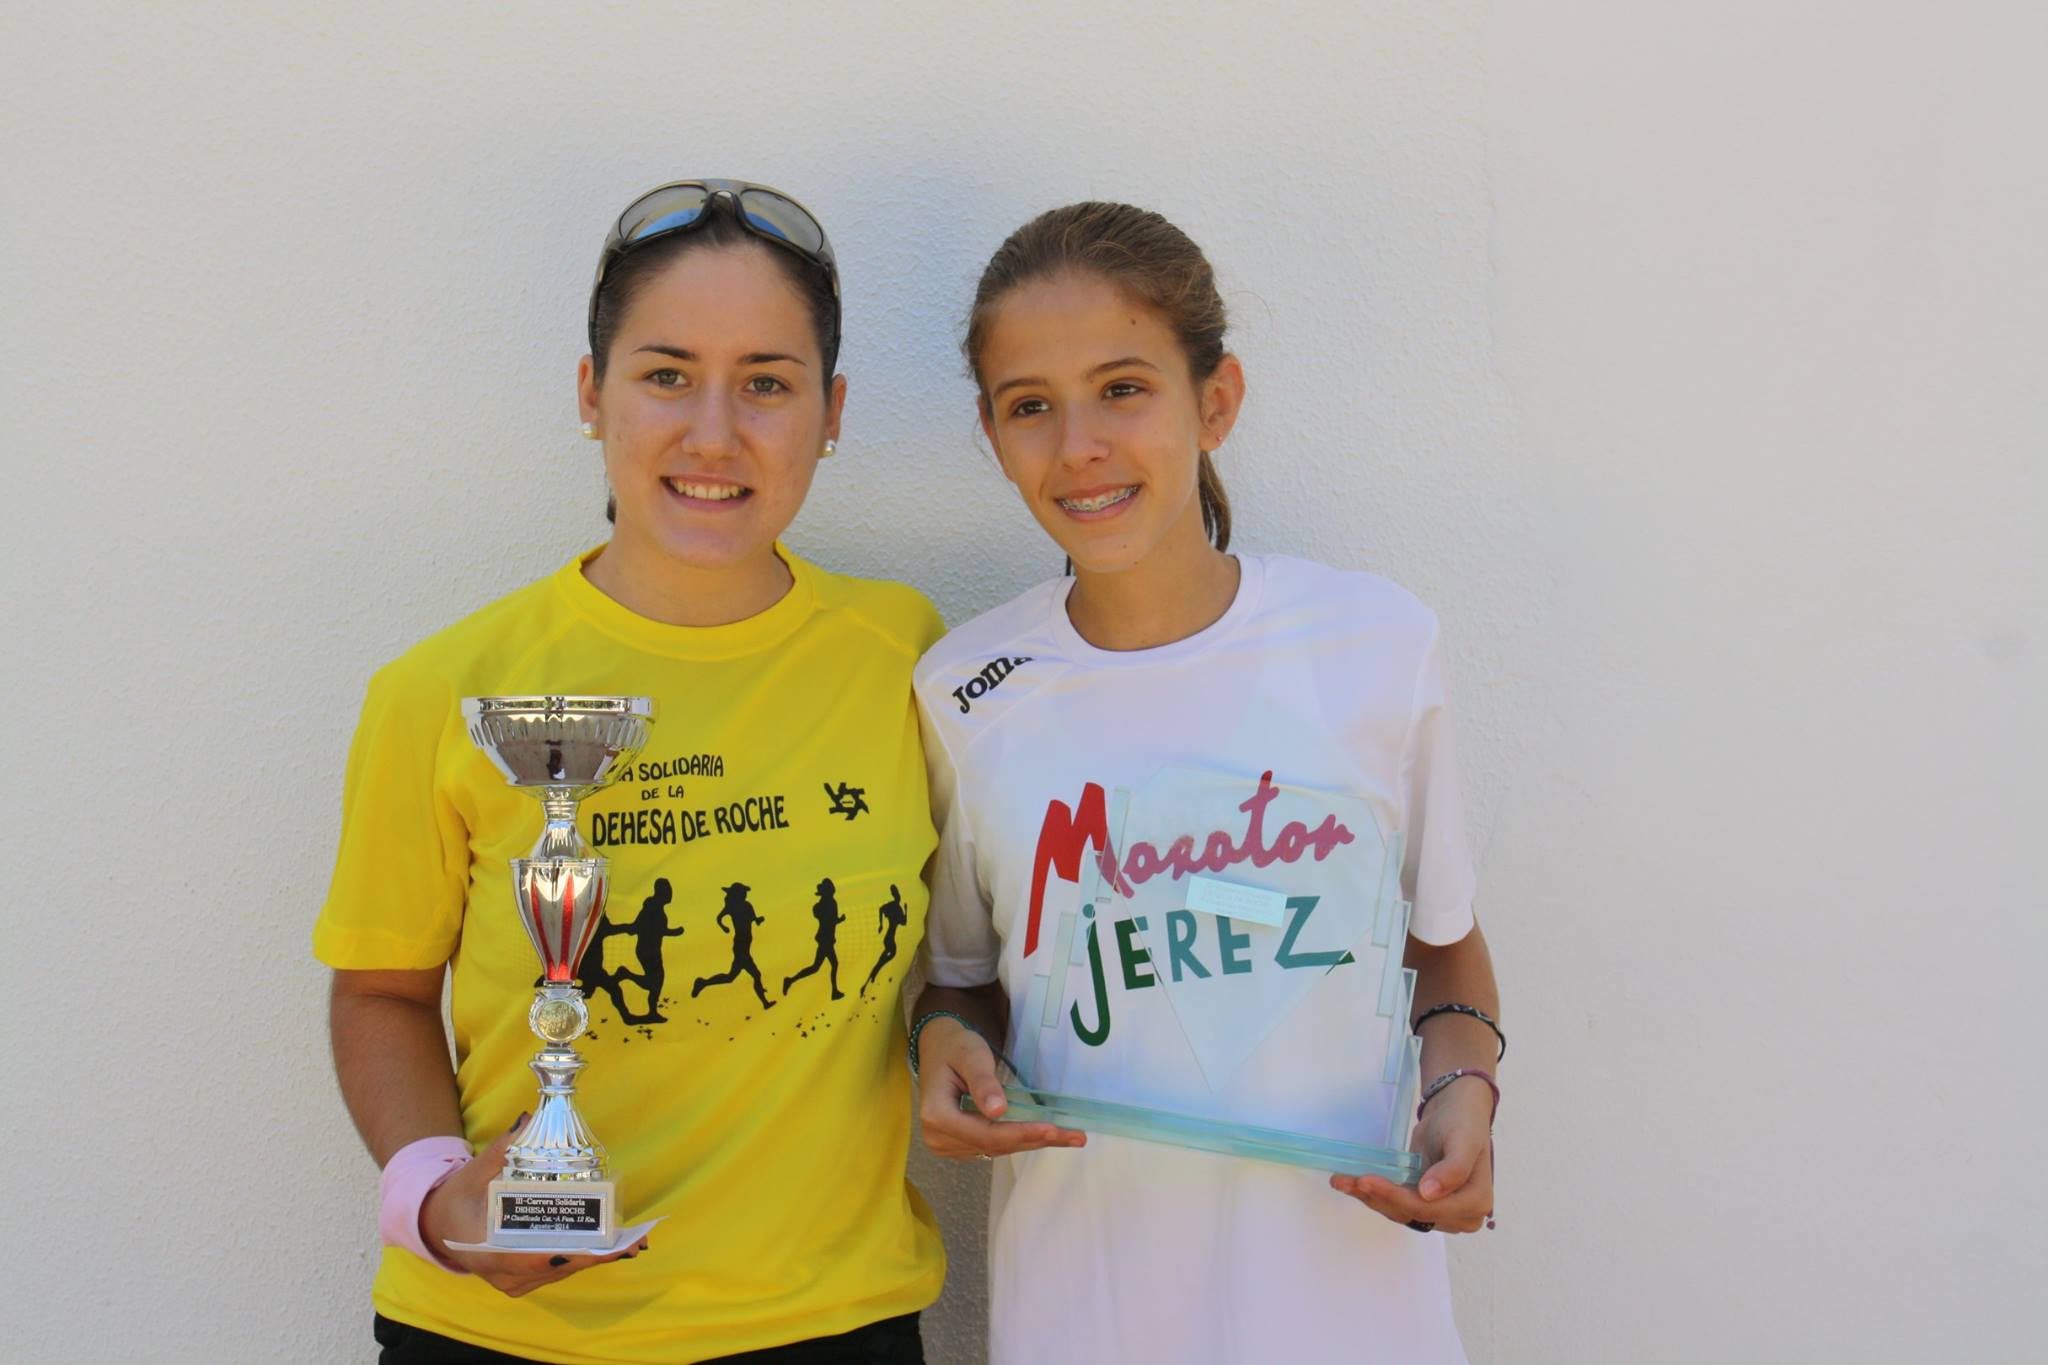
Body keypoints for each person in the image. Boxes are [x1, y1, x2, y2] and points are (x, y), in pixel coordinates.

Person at [316, 180, 943, 1364]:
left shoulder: (905, 656)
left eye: (766, 382)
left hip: (830, 1323)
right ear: (590, 393)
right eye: (665, 374)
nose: (713, 432)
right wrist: (433, 1197)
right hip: (506, 1333)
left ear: (831, 412)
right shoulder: (443, 690)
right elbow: (380, 993)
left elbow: (966, 950)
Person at [910, 202, 1503, 1364]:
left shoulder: (1375, 645)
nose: (1078, 444)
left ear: (1214, 401)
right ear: (991, 432)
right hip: (1086, 1314)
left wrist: (1465, 1096)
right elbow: (962, 985)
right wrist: (942, 1044)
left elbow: (1443, 954)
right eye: (1029, 405)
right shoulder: (963, 692)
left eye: (1122, 389)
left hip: (1350, 1311)